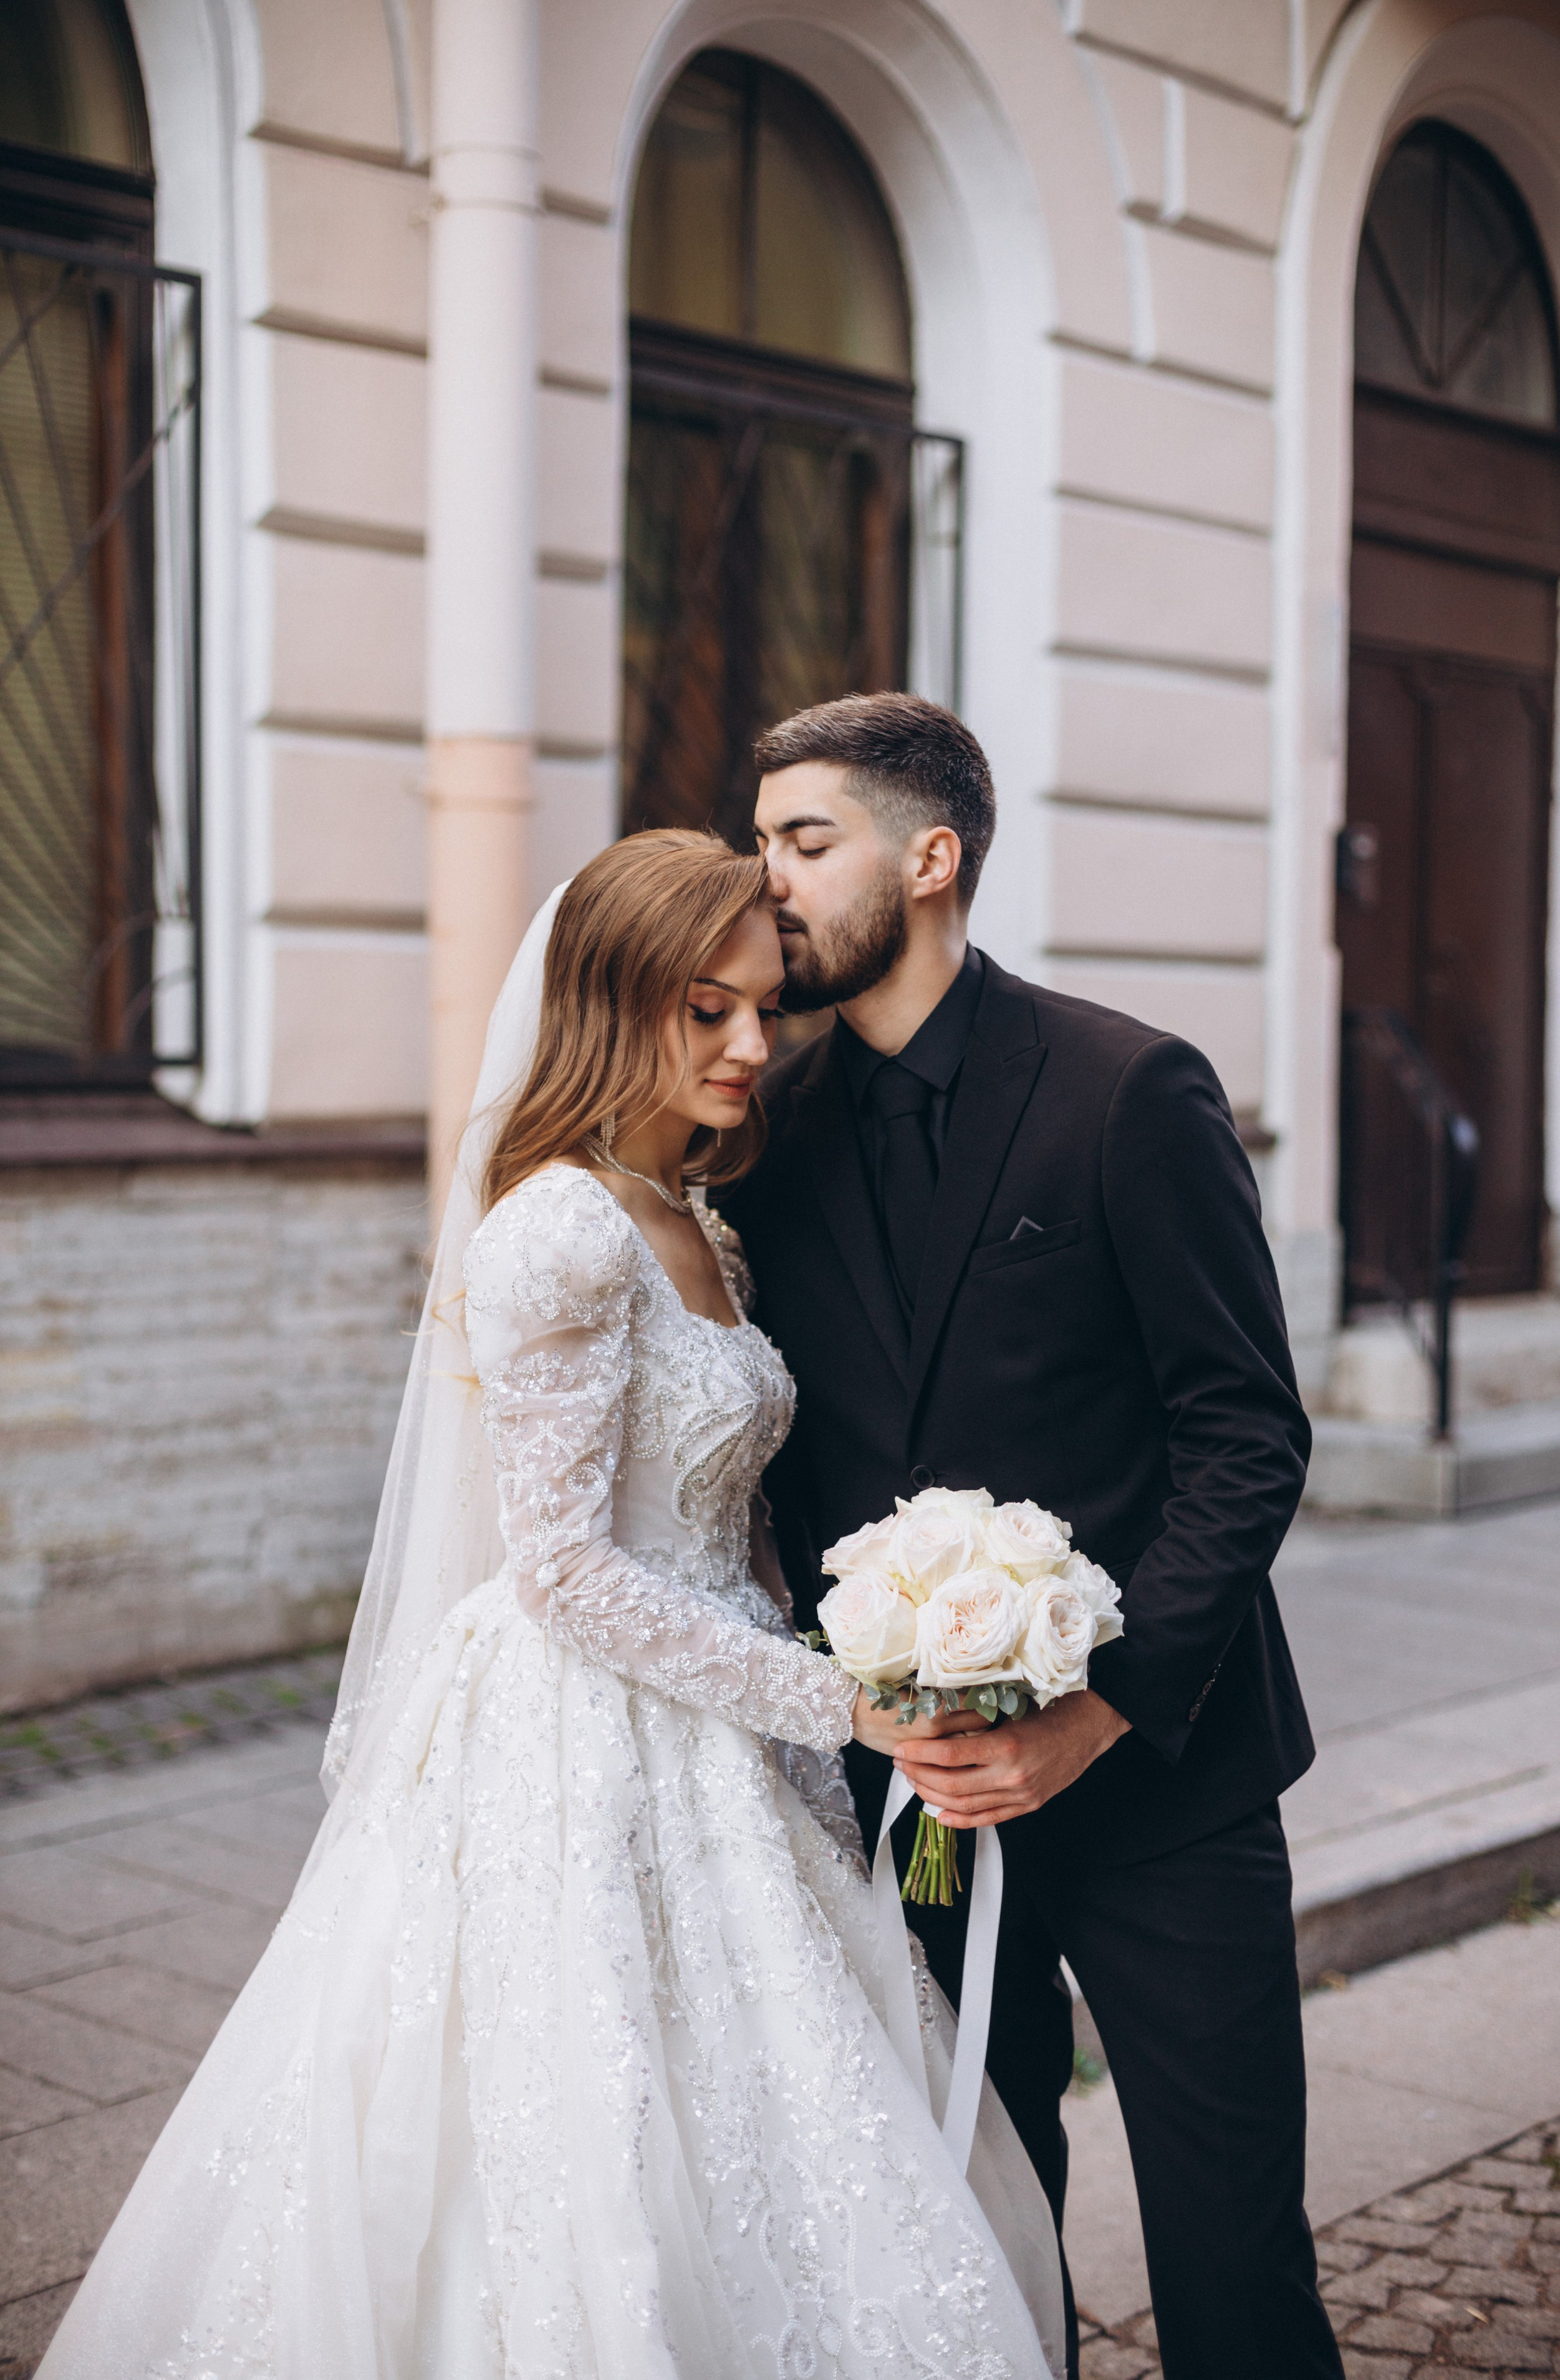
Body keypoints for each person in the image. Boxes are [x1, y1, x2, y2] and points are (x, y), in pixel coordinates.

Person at [37, 832, 1066, 2379]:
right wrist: (837, 1700)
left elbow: (722, 1517)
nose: (747, 1045)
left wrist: (883, 1624)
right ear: (607, 1001)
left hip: (729, 1721)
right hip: (585, 1730)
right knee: (575, 2127)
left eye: (762, 1009)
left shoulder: (699, 1221)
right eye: (701, 1009)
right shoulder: (564, 1229)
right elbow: (568, 1571)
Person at [719, 695, 1346, 2380]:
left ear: (930, 858)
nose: (765, 876)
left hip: (1165, 1788)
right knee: (973, 2227)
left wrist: (1096, 1706)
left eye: (804, 840)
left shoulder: (1126, 1089)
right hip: (921, 1806)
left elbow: (1247, 1432)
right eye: (760, 839)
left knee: (1232, 2254)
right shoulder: (762, 1134)